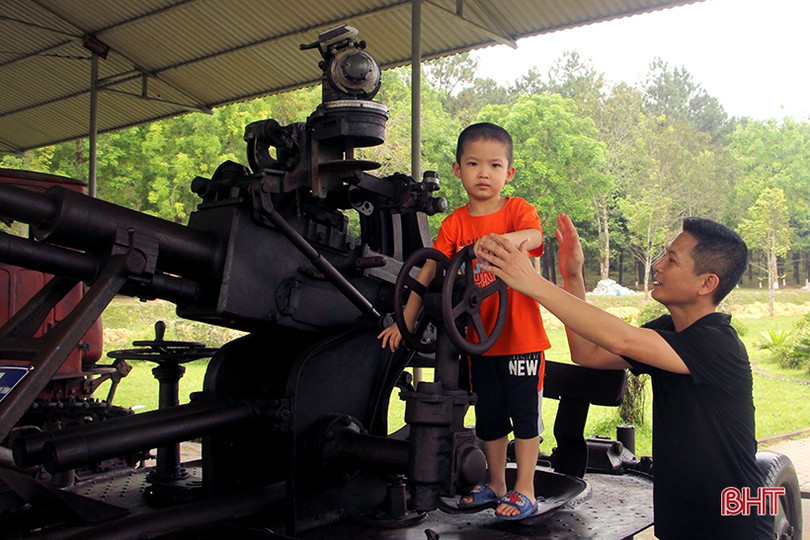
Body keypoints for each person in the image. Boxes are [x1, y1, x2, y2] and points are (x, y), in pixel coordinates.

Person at [474, 213, 773, 539]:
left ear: (707, 283)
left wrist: (531, 282)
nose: (658, 266)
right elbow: (588, 353)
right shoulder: (671, 330)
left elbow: (623, 339)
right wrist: (572, 275)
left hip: (733, 524)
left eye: (672, 260)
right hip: (682, 518)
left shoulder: (717, 343)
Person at [378, 122, 551, 520]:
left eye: (494, 165)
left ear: (509, 173)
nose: (483, 173)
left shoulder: (515, 211)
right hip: (479, 342)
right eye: (473, 164)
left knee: (525, 414)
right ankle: (495, 484)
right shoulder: (454, 224)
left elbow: (534, 236)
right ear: (458, 170)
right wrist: (403, 320)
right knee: (489, 415)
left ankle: (525, 488)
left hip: (522, 339)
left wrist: (492, 244)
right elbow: (427, 271)